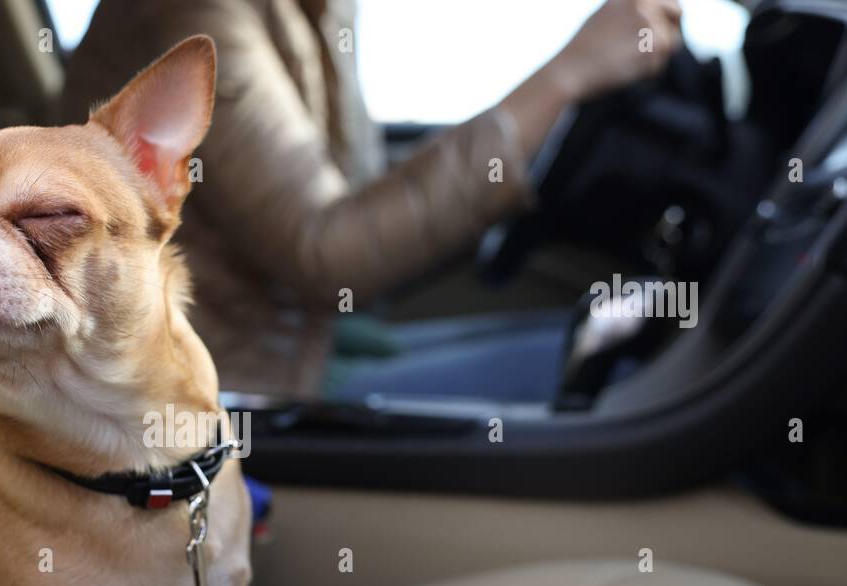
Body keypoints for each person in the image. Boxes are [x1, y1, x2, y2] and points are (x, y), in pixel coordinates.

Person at [61, 0, 684, 401]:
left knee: (599, 338)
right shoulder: (195, 16)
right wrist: (567, 76)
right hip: (226, 389)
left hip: (299, 341)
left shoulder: (311, 13)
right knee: (627, 372)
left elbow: (348, 189)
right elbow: (328, 254)